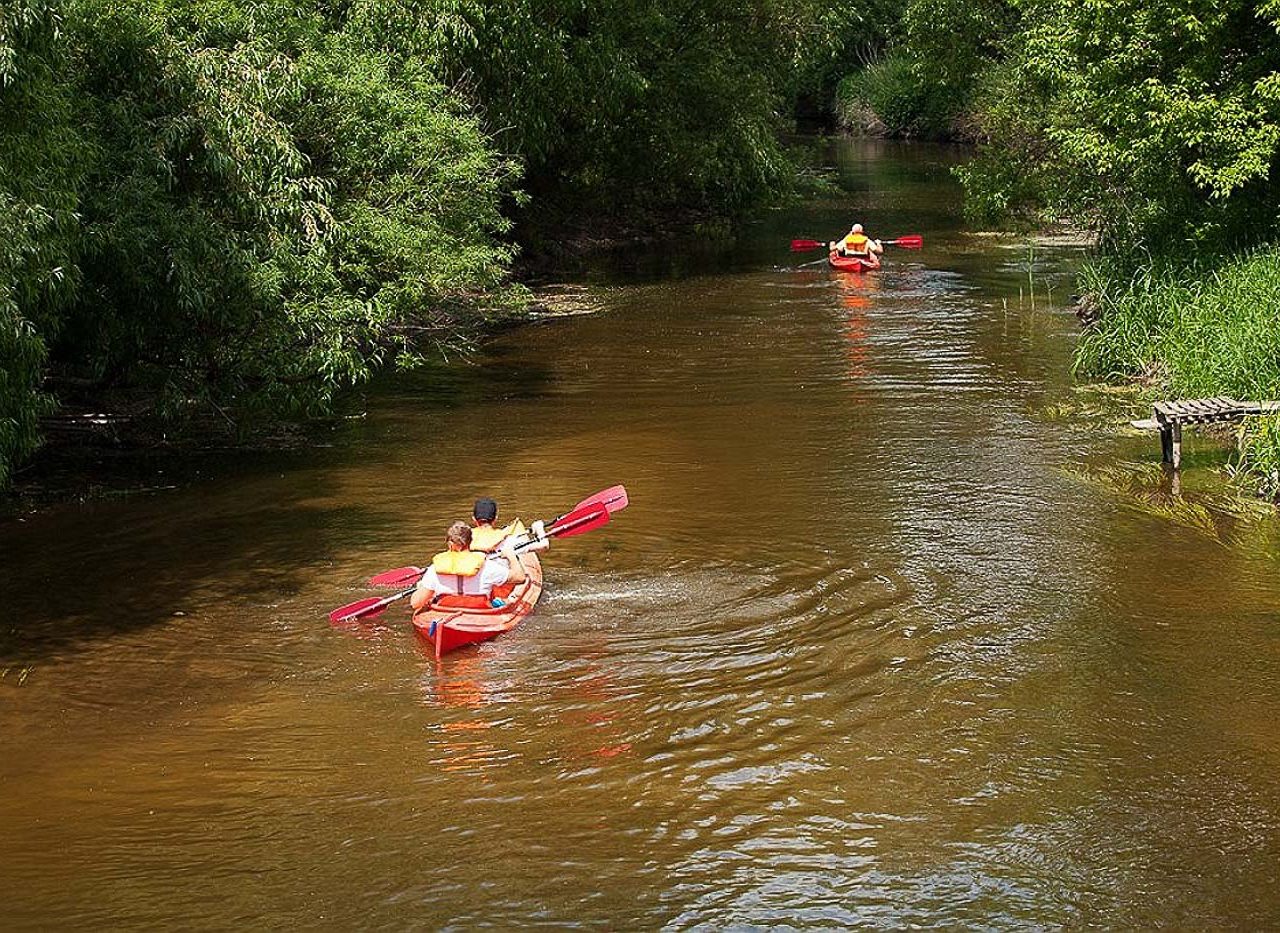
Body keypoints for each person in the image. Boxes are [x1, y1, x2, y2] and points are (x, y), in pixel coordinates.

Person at [410, 520, 534, 613]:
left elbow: (415, 604)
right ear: (470, 542)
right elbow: (520, 578)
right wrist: (511, 556)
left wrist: (421, 587)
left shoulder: (434, 569)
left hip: (445, 611)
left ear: (449, 544)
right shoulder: (487, 566)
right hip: (480, 613)